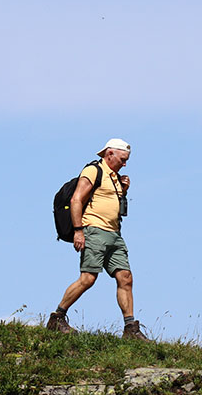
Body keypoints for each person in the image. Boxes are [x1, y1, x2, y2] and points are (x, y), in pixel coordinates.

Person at [46, 138, 148, 340]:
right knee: (88, 278)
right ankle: (57, 318)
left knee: (125, 278)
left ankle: (130, 329)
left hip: (114, 234)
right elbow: (77, 199)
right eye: (122, 159)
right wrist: (78, 231)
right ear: (109, 153)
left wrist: (123, 190)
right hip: (94, 230)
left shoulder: (114, 177)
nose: (125, 164)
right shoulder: (94, 170)